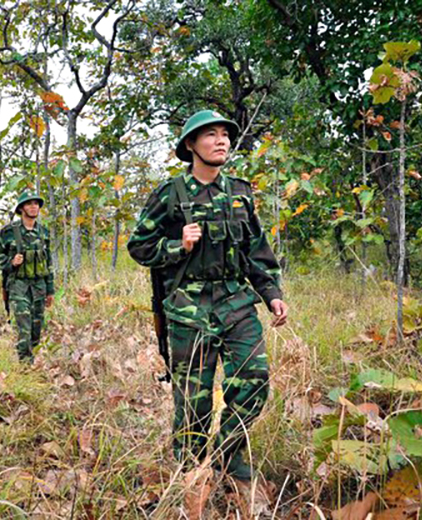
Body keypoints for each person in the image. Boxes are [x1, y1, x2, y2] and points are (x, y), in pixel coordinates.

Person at [127, 109, 289, 482]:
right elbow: (139, 247)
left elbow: (256, 250)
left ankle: (227, 456)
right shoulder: (169, 195)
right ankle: (190, 472)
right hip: (188, 309)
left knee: (254, 381)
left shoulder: (240, 193)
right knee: (194, 401)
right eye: (211, 135)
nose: (221, 141)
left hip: (236, 303)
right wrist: (176, 246)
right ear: (190, 145)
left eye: (225, 135)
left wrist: (271, 293)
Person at [0, 192, 55, 362]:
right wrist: (10, 262)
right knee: (23, 325)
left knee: (36, 328)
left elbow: (48, 262)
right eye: (29, 204)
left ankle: (31, 360)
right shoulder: (10, 231)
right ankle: (25, 366)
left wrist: (50, 290)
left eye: (36, 204)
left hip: (39, 285)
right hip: (18, 285)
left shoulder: (44, 233)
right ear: (21, 208)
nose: (33, 207)